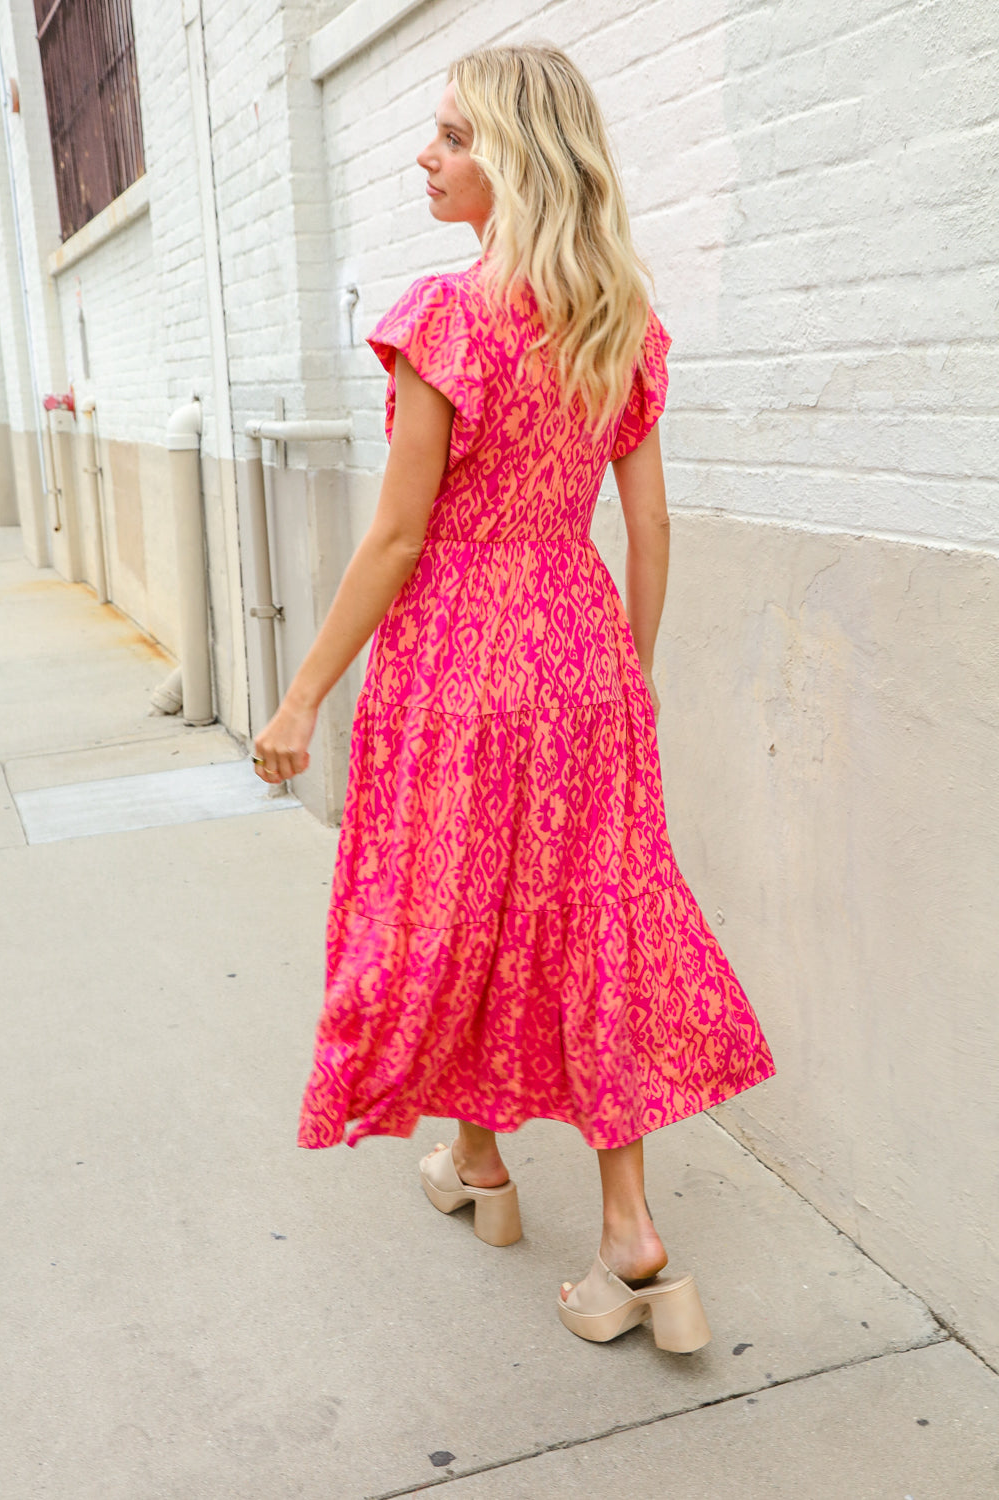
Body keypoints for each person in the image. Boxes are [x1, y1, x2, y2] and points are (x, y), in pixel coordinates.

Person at [252, 42, 775, 1352]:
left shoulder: (446, 316)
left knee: (464, 904)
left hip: (460, 662)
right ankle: (592, 1213)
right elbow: (649, 525)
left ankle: (498, 1172)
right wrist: (628, 674)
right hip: (582, 648)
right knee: (595, 917)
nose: (425, 155)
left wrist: (302, 694)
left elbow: (395, 539)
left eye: (454, 137)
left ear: (521, 162)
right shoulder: (621, 321)